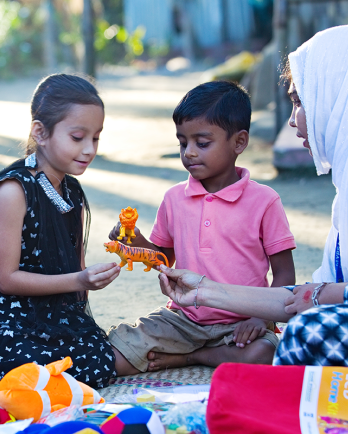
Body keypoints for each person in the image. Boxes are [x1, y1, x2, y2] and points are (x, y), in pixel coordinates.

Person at [156, 21, 348, 371]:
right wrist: (202, 291)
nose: (293, 121)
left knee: (305, 334)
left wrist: (320, 296)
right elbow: (300, 297)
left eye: (299, 102)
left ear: (339, 89)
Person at [0, 74, 121, 395]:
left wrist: (89, 280)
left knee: (97, 357)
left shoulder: (71, 193)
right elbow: (7, 279)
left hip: (47, 307)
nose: (89, 149)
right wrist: (80, 280)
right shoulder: (13, 190)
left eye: (96, 138)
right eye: (78, 137)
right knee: (30, 365)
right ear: (40, 132)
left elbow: (76, 275)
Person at [108, 81, 296, 375]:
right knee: (116, 356)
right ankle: (201, 352)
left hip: (243, 322)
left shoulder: (265, 201)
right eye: (183, 143)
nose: (190, 153)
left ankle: (191, 357)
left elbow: (285, 274)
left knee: (263, 354)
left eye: (202, 143)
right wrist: (133, 240)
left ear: (239, 142)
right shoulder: (173, 199)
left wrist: (263, 320)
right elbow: (164, 260)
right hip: (183, 320)